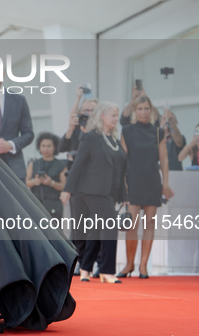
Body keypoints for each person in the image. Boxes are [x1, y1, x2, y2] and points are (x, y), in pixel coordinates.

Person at [60, 102, 128, 284]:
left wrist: (124, 197)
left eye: (116, 115)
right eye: (113, 115)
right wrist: (68, 190)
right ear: (102, 116)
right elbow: (78, 164)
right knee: (110, 226)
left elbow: (120, 171)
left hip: (111, 192)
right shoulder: (90, 137)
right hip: (93, 191)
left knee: (96, 230)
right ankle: (106, 270)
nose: (116, 119)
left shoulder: (113, 140)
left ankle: (85, 267)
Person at [117, 95, 174, 279]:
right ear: (135, 111)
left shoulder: (158, 132)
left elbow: (164, 159)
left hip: (152, 181)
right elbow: (122, 160)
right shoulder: (126, 130)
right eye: (139, 109)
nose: (143, 112)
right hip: (132, 181)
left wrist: (165, 183)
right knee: (131, 224)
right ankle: (129, 264)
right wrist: (122, 183)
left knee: (150, 223)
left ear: (151, 111)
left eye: (146, 109)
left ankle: (143, 265)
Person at [58, 89, 98, 275]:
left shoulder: (100, 132)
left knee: (96, 225)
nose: (88, 114)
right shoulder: (75, 130)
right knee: (79, 225)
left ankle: (92, 262)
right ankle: (77, 261)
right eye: (86, 111)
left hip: (96, 183)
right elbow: (62, 147)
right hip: (76, 184)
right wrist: (71, 128)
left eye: (92, 111)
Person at [26, 132, 67, 221]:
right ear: (39, 147)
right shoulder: (34, 163)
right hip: (36, 203)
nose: (46, 149)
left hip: (54, 204)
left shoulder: (61, 165)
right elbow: (26, 182)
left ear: (54, 147)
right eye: (43, 146)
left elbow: (64, 186)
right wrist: (34, 182)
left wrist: (51, 183)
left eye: (49, 146)